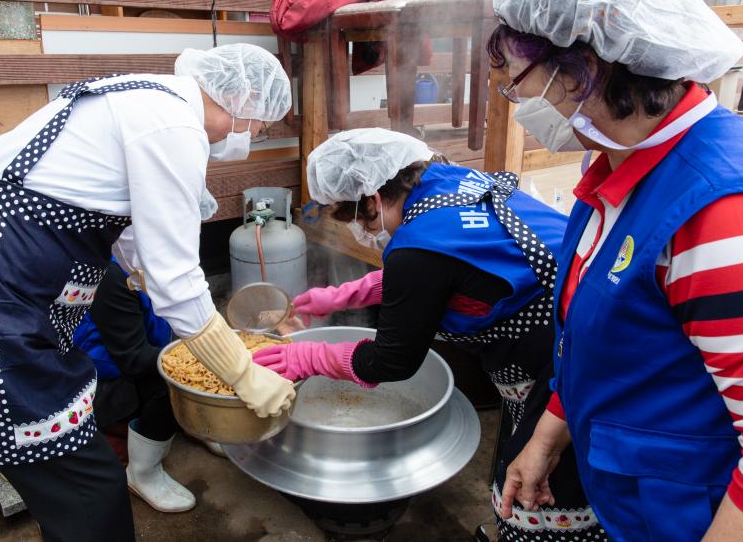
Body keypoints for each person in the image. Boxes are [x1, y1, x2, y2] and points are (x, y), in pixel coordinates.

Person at [0, 43, 296, 541]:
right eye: (259, 125)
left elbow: (143, 263)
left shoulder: (131, 101)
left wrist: (218, 330)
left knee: (67, 496)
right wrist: (242, 373)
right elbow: (175, 279)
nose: (251, 137)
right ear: (243, 97)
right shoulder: (172, 123)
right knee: (91, 498)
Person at [489, 0, 743, 541]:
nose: (519, 105)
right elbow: (603, 345)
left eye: (521, 84)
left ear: (585, 69)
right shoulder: (617, 171)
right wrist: (546, 438)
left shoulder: (727, 216)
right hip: (635, 506)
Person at [254, 128, 605, 540]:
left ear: (372, 199)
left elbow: (392, 360)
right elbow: (453, 271)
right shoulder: (446, 181)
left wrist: (307, 358)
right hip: (578, 325)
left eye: (354, 218)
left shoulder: (418, 248)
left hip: (571, 358)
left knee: (544, 484)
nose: (360, 231)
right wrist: (339, 296)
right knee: (526, 458)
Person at [71, 256, 194, 513]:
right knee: (175, 381)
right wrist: (194, 358)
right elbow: (134, 359)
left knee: (193, 364)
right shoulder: (109, 276)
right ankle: (142, 473)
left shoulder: (156, 260)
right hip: (103, 385)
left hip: (140, 357)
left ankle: (198, 425)